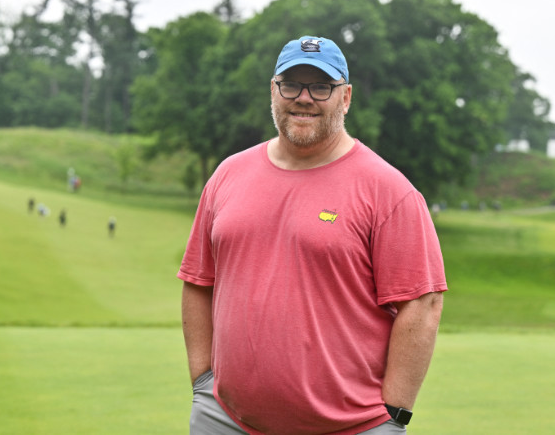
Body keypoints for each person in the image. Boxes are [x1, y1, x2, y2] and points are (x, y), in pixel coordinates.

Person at [178, 36, 447, 435]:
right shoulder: (227, 175)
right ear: (273, 90)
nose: (304, 98)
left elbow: (422, 304)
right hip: (226, 420)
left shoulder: (388, 190)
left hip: (352, 427)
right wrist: (203, 383)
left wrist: (393, 416)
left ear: (346, 97)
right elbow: (199, 281)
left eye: (321, 86)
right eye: (291, 85)